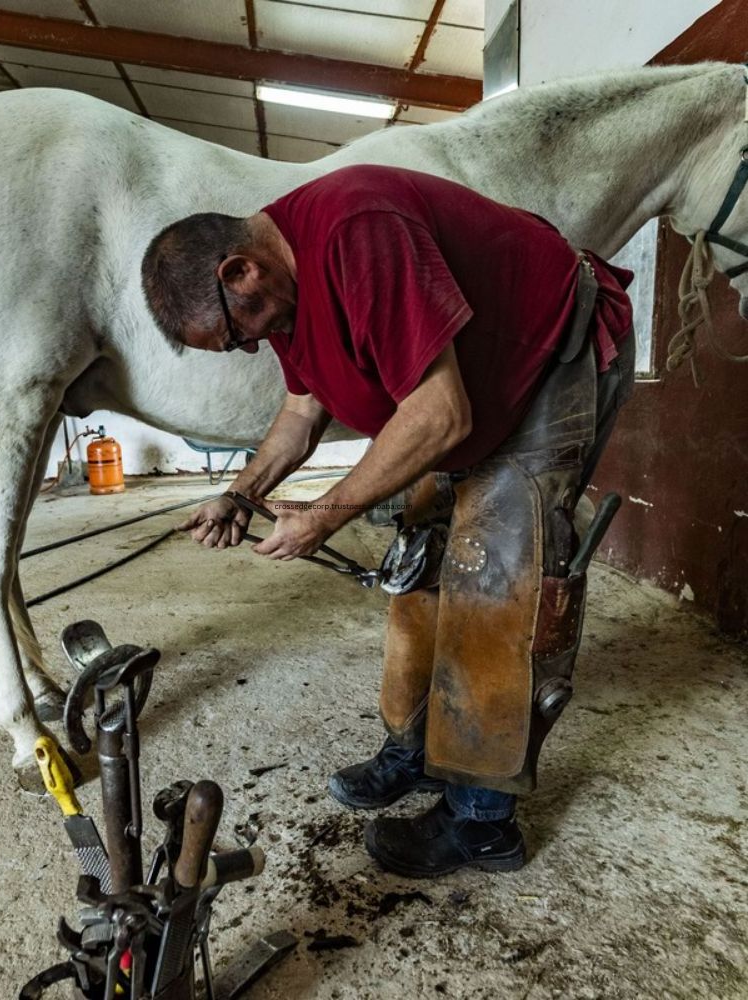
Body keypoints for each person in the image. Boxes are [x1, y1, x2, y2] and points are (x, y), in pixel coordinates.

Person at [140, 164, 635, 878]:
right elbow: (303, 410)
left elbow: (442, 416)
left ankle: (482, 821)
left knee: (497, 578)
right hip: (471, 384)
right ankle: (419, 752)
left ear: (240, 270)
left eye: (237, 333)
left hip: (551, 356)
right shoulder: (281, 282)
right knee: (418, 563)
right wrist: (241, 494)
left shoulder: (357, 231)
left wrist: (322, 517)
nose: (252, 345)